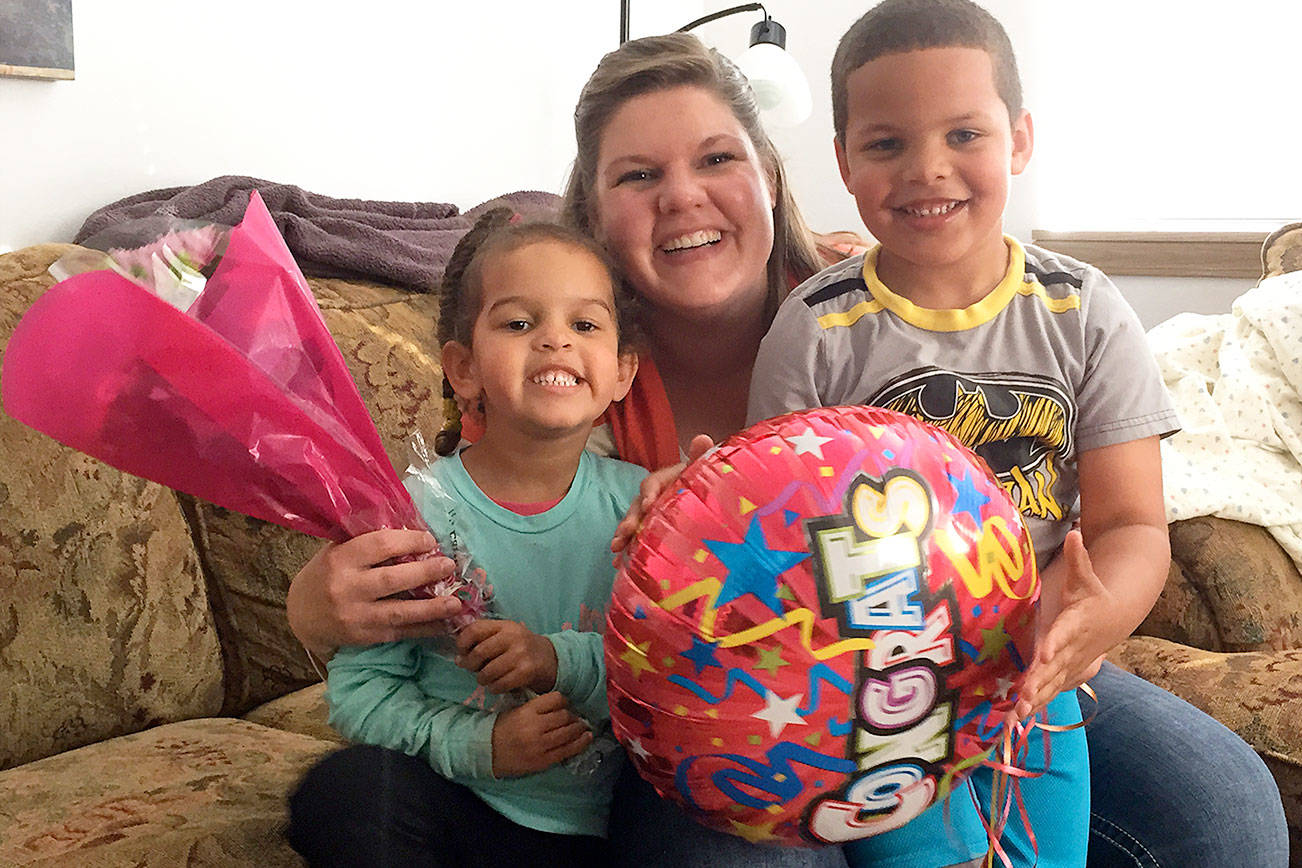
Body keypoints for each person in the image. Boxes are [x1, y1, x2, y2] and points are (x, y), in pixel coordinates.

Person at [287, 28, 1288, 868]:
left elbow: (1088, 522)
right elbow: (464, 542)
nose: (683, 196)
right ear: (595, 213)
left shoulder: (875, 310)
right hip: (728, 720)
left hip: (970, 652)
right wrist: (317, 605)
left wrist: (1078, 619)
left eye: (717, 158)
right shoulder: (562, 369)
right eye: (640, 175)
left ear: (770, 177)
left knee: (1225, 809)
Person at [288, 210, 647, 866]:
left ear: (622, 372)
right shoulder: (413, 514)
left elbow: (670, 669)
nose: (555, 342)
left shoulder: (642, 507)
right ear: (463, 370)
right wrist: (482, 747)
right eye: (519, 322)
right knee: (346, 793)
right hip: (465, 807)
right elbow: (362, 693)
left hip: (605, 829)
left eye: (584, 324)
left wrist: (556, 660)